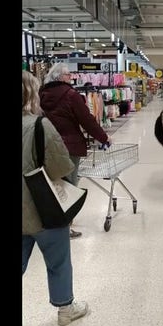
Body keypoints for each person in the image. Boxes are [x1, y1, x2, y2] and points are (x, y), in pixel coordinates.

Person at [21, 70, 89, 326]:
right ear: (31, 94)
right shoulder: (40, 125)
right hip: (43, 208)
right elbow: (62, 167)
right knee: (58, 260)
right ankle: (65, 309)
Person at [40, 63, 111, 239]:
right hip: (69, 147)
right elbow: (87, 120)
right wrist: (104, 138)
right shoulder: (71, 95)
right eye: (68, 75)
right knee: (69, 187)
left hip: (46, 145)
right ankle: (65, 228)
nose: (71, 78)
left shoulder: (42, 94)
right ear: (61, 77)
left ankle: (50, 222)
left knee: (52, 184)